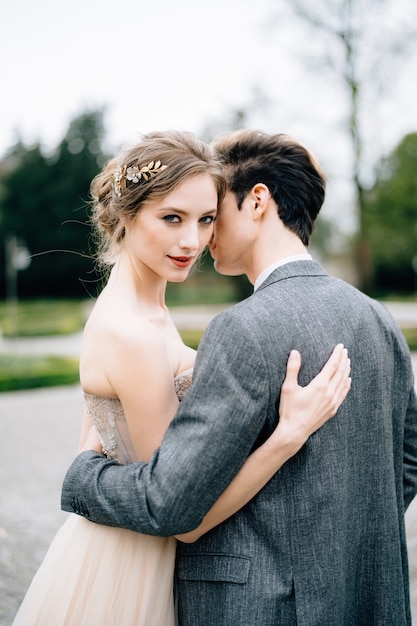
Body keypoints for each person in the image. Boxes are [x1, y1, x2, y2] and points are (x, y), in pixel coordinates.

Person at [60, 129, 417, 625]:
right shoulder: (379, 318)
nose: (201, 237)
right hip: (369, 600)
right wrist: (341, 546)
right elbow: (409, 459)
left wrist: (83, 476)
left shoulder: (242, 327)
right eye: (179, 217)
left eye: (212, 214)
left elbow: (173, 504)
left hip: (259, 606)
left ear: (256, 202)